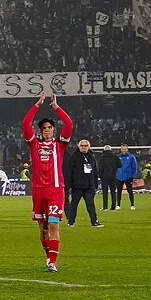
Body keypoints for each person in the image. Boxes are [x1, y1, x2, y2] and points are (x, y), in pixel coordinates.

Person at [22, 92, 73, 271]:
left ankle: (52, 262)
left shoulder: (60, 145)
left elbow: (69, 124)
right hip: (38, 190)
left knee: (53, 224)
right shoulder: (34, 144)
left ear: (54, 129)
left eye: (50, 127)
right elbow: (25, 124)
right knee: (43, 228)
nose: (47, 130)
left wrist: (56, 107)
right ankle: (49, 256)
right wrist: (37, 104)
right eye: (44, 128)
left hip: (55, 190)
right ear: (40, 130)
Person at [63, 139, 103, 228]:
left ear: (88, 147)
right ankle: (71, 221)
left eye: (85, 146)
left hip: (89, 186)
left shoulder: (91, 157)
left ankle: (94, 221)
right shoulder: (74, 157)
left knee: (90, 204)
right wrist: (69, 185)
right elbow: (69, 172)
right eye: (82, 145)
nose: (84, 147)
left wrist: (95, 185)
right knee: (74, 204)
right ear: (78, 146)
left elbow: (95, 172)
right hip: (77, 186)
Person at [115, 143, 138, 209]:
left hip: (128, 177)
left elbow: (134, 167)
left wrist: (132, 176)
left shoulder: (131, 157)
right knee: (119, 191)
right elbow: (115, 166)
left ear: (127, 149)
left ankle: (132, 205)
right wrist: (116, 175)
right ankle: (118, 205)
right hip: (119, 177)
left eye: (125, 149)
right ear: (121, 149)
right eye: (122, 149)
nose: (124, 150)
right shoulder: (117, 157)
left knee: (130, 191)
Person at [97, 144, 120, 211]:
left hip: (104, 177)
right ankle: (113, 207)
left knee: (105, 192)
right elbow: (120, 165)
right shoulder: (115, 156)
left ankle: (105, 207)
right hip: (113, 176)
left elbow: (100, 168)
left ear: (104, 150)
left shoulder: (102, 157)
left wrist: (100, 176)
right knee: (113, 192)